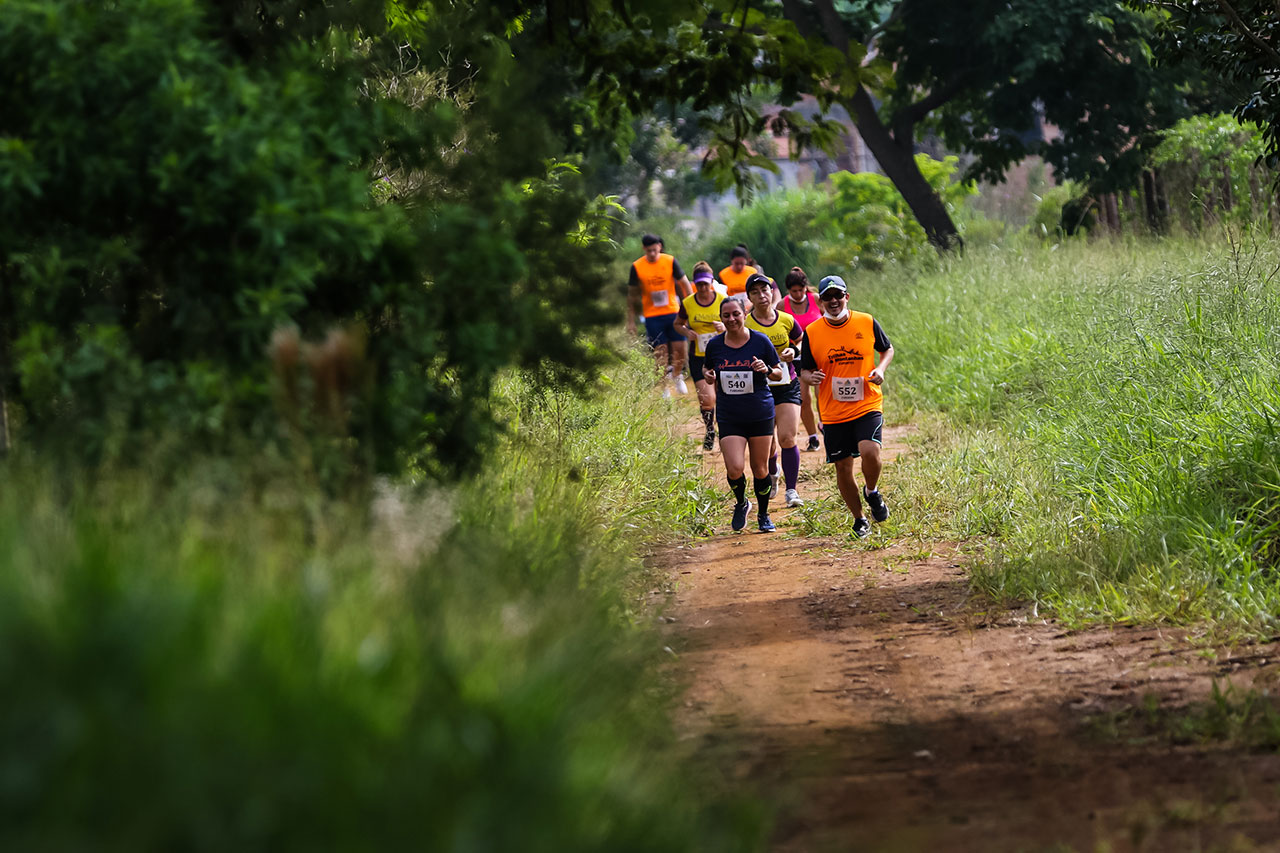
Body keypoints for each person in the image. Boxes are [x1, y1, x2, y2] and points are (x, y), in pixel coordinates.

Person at [798, 275, 895, 539]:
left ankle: (871, 491)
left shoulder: (866, 321)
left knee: (870, 452)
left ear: (846, 297)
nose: (833, 301)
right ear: (819, 301)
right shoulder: (813, 332)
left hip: (867, 401)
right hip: (833, 410)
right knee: (843, 467)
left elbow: (887, 349)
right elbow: (804, 370)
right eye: (827, 297)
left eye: (837, 296)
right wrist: (810, 377)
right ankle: (859, 519)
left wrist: (880, 369)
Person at [702, 298, 783, 532]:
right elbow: (707, 369)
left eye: (735, 314)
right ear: (721, 317)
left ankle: (764, 515)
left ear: (744, 313)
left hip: (759, 412)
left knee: (760, 469)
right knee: (734, 468)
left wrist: (766, 369)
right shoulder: (715, 345)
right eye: (726, 315)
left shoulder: (760, 341)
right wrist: (709, 376)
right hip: (730, 414)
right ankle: (741, 502)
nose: (731, 319)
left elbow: (778, 372)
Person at [744, 273, 806, 508]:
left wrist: (795, 351)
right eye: (756, 292)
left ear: (772, 292)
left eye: (765, 290)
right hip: (759, 389)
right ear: (750, 297)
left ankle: (792, 491)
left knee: (788, 437)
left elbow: (800, 340)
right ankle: (773, 471)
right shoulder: (747, 324)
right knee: (768, 443)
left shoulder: (787, 320)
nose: (762, 296)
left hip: (787, 385)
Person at [627, 234, 692, 397]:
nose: (652, 254)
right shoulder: (637, 266)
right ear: (644, 249)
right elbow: (632, 295)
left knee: (681, 351)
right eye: (649, 251)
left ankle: (677, 375)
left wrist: (691, 307)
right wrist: (631, 321)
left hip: (673, 312)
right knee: (660, 354)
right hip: (652, 315)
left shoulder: (669, 261)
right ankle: (664, 388)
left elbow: (685, 284)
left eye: (655, 250)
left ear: (660, 247)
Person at [673, 263, 727, 451]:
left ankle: (726, 431)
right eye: (699, 284)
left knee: (724, 396)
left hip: (723, 354)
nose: (703, 288)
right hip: (699, 356)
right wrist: (687, 332)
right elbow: (678, 324)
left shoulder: (723, 300)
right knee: (707, 398)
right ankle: (710, 429)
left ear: (712, 282)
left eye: (706, 284)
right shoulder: (688, 302)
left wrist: (724, 327)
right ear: (694, 284)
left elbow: (739, 321)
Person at [779, 267, 824, 452]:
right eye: (793, 291)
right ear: (788, 290)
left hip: (820, 352)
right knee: (804, 398)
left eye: (801, 290)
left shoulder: (816, 299)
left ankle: (826, 425)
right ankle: (813, 436)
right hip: (796, 356)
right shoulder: (782, 305)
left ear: (806, 288)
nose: (797, 294)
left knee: (822, 395)